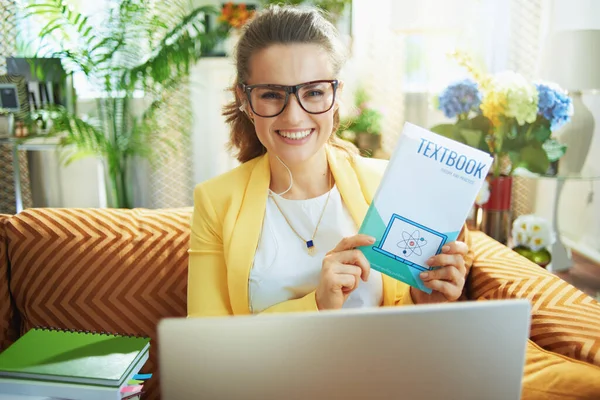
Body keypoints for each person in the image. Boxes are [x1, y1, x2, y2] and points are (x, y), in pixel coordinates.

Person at [187, 5, 473, 317]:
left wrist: (421, 302)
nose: (294, 116)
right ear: (244, 99)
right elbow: (208, 343)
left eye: (313, 92)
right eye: (271, 94)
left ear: (335, 95)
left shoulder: (386, 184)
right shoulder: (216, 201)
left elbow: (399, 317)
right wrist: (316, 304)